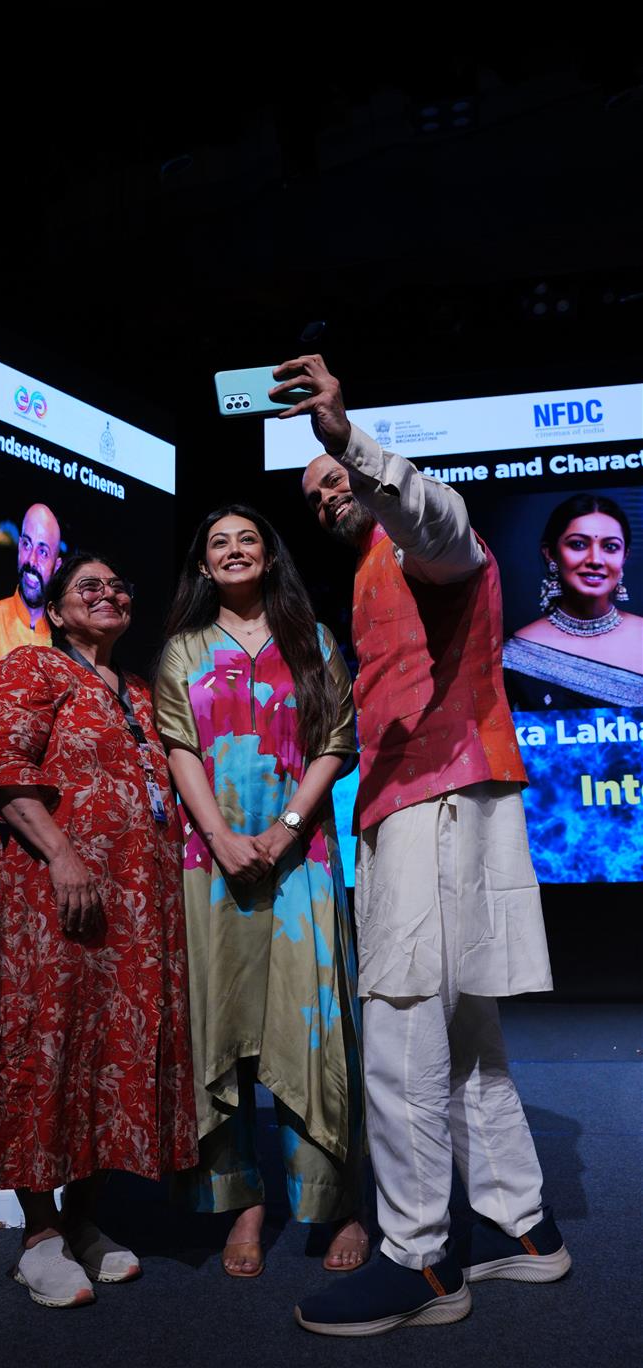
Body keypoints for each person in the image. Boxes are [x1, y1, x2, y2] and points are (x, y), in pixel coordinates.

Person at [267, 355, 571, 1337]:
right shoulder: (369, 570)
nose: (326, 496)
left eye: (334, 481)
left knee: (400, 1026)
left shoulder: (418, 542)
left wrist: (347, 440)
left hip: (432, 802)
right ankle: (522, 1227)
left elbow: (438, 522)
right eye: (314, 495)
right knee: (466, 1037)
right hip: (441, 800)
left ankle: (420, 1259)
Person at [0, 551, 198, 1308]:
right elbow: (3, 769)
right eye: (87, 587)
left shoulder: (139, 692)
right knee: (47, 1042)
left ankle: (82, 1220)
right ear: (59, 611)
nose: (107, 594)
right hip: (51, 897)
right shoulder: (32, 667)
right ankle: (38, 1236)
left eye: (118, 586)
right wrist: (63, 856)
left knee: (111, 1051)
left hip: (136, 910)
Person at [153, 504, 367, 1278]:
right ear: (204, 565)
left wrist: (283, 831)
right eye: (220, 543)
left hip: (301, 858)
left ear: (270, 558)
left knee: (315, 1026)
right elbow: (178, 747)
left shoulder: (314, 641)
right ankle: (241, 1200)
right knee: (224, 1027)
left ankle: (336, 1199)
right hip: (209, 864)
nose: (235, 550)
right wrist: (219, 837)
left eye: (248, 539)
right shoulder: (182, 649)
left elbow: (336, 742)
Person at [502, 493, 643, 708]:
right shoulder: (517, 654)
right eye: (578, 544)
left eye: (610, 547)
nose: (595, 560)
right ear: (550, 554)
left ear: (624, 557)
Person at [0, 502, 62, 681]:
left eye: (43, 552)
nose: (31, 561)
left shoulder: (66, 644)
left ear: (57, 566)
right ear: (19, 546)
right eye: (27, 544)